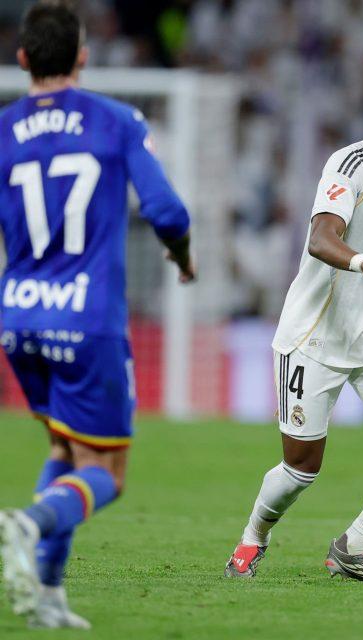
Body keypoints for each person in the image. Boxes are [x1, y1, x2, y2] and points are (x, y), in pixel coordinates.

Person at [0, 2, 195, 629]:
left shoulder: (3, 129)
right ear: (83, 56)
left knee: (64, 443)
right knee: (107, 471)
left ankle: (47, 594)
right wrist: (182, 257)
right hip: (86, 318)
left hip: (19, 318)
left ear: (22, 58)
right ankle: (28, 524)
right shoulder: (116, 120)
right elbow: (167, 211)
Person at [225, 71, 363, 583]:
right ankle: (252, 538)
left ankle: (354, 546)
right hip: (315, 336)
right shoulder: (351, 165)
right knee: (300, 469)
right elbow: (320, 239)